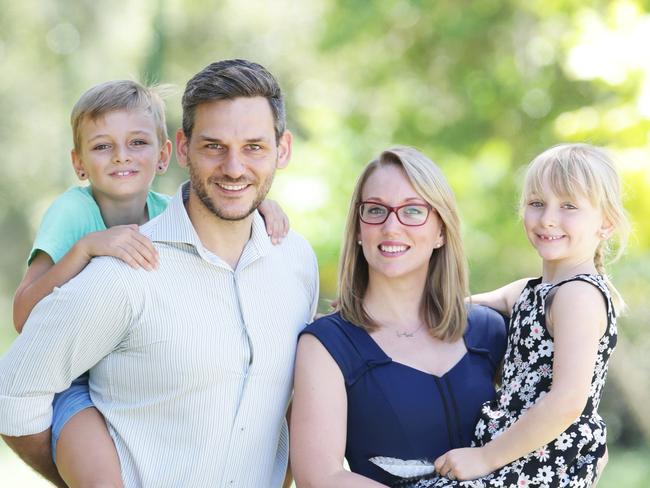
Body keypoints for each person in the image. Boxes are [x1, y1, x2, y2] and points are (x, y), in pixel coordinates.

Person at [0, 59, 318, 488]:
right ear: (184, 148)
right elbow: (14, 392)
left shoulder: (295, 260)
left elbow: (289, 405)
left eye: (254, 147)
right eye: (214, 146)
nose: (234, 167)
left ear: (283, 149)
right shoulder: (122, 270)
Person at [386, 143, 629, 488]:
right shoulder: (531, 291)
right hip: (514, 452)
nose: (548, 218)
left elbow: (568, 401)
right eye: (536, 203)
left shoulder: (578, 296)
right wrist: (376, 308)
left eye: (569, 206)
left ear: (605, 223)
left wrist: (485, 457)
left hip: (542, 459)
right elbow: (452, 303)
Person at [290, 146, 507, 487]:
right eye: (376, 210)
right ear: (359, 230)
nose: (392, 226)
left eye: (413, 211)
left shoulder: (489, 331)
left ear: (440, 231)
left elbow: (556, 423)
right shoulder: (327, 346)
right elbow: (319, 477)